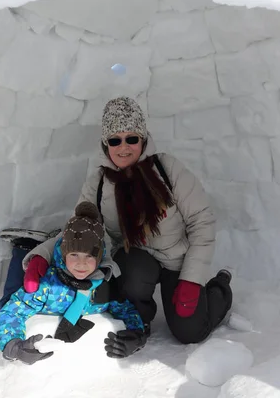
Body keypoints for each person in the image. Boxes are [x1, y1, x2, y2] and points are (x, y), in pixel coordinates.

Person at [24, 97, 233, 345]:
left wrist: (191, 280)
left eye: (131, 138)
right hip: (135, 259)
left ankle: (220, 287)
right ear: (105, 145)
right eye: (115, 140)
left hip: (176, 260)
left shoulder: (167, 169)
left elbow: (202, 222)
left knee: (190, 332)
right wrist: (41, 255)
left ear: (142, 139)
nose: (124, 147)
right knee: (131, 274)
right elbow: (78, 232)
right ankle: (138, 321)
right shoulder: (99, 183)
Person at [0, 202, 146, 365]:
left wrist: (137, 336)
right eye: (74, 254)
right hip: (42, 275)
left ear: (99, 258)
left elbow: (126, 309)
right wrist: (14, 347)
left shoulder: (105, 287)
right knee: (10, 295)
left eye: (89, 256)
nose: (81, 264)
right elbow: (12, 312)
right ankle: (24, 247)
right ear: (63, 254)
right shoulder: (47, 287)